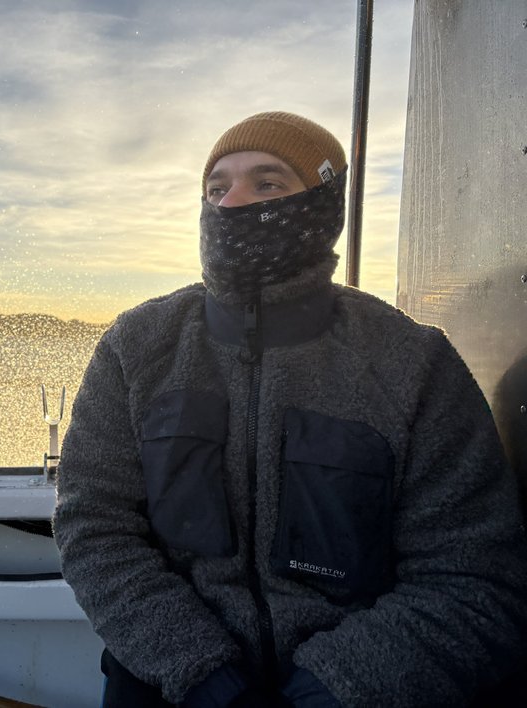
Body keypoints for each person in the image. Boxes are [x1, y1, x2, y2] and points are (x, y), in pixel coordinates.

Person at [52, 111, 527, 707]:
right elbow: (95, 528)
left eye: (267, 183)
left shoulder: (412, 364)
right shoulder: (139, 345)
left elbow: (472, 575)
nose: (231, 204)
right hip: (172, 684)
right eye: (216, 188)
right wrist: (203, 675)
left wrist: (335, 687)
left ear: (324, 205)